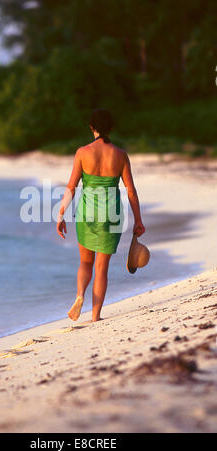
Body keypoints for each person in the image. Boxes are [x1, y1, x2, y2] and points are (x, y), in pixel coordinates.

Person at [56, 109, 145, 322]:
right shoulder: (121, 155)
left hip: (87, 213)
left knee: (85, 263)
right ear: (111, 128)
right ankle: (96, 316)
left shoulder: (82, 152)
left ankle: (79, 296)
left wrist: (61, 214)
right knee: (101, 268)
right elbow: (130, 190)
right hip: (111, 215)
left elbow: (72, 186)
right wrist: (139, 220)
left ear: (91, 127)